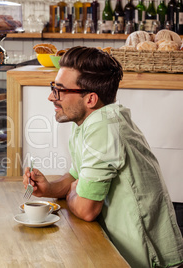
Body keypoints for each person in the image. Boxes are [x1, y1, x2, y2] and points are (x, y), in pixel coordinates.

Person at [23, 46, 183, 268]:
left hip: (148, 259)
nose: (51, 96)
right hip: (118, 249)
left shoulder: (103, 128)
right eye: (53, 87)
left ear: (90, 99)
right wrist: (50, 188)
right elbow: (76, 175)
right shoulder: (90, 121)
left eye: (59, 90)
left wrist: (73, 194)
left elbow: (87, 210)